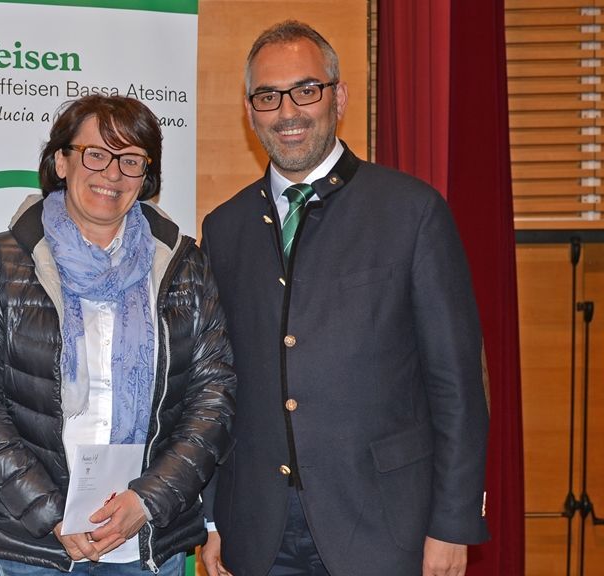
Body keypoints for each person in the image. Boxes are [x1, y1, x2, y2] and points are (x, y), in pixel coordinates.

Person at [199, 20, 489, 576]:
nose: (287, 111)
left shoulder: (412, 212)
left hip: (385, 526)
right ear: (249, 111)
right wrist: (212, 517)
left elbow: (457, 383)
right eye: (268, 96)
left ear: (340, 97)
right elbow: (215, 383)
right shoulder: (224, 228)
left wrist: (453, 522)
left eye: (306, 90)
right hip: (257, 529)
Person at [0, 95, 237, 575]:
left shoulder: (184, 266)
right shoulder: (2, 262)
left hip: (146, 541)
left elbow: (213, 396)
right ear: (61, 162)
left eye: (131, 160)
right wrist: (50, 511)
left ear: (146, 176)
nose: (112, 174)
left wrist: (148, 500)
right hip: (33, 546)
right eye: (95, 154)